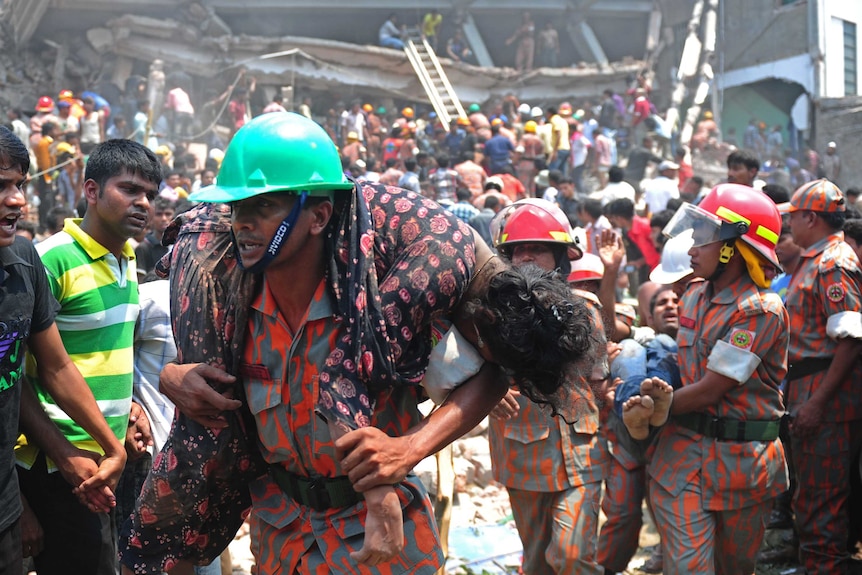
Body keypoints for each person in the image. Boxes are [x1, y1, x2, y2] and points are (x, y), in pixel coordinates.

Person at [119, 113, 596, 574]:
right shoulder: (229, 298)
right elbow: (197, 379)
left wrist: (409, 450)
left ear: (319, 215)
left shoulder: (390, 298)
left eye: (264, 206)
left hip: (378, 542)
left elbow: (491, 371)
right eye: (239, 207)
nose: (243, 222)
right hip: (282, 531)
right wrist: (172, 375)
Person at [624, 184, 788, 574]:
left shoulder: (760, 310)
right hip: (682, 459)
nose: (692, 248)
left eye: (703, 238)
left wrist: (654, 409)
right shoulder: (695, 295)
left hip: (742, 466)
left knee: (735, 566)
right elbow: (680, 364)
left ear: (732, 246)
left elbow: (715, 386)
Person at [17, 138, 161, 574]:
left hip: (105, 460)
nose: (143, 203)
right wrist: (63, 454)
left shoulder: (127, 258)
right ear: (92, 191)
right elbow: (15, 377)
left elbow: (101, 356)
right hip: (61, 466)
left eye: (151, 195)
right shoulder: (50, 260)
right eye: (130, 189)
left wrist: (129, 406)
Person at [0, 126, 126, 575]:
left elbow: (51, 369)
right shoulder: (56, 259)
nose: (16, 200)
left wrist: (113, 447)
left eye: (19, 185)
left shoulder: (22, 262)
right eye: (1, 186)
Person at [487, 198, 607, 574]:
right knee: (537, 561)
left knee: (573, 558)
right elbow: (464, 372)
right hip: (522, 454)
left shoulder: (586, 309)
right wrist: (494, 390)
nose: (525, 256)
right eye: (517, 250)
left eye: (536, 248)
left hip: (582, 451)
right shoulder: (486, 313)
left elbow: (599, 382)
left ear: (560, 255)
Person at [777, 179, 862, 575]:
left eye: (793, 216)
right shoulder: (815, 258)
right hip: (807, 387)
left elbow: (851, 338)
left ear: (811, 217)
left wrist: (817, 402)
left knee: (822, 502)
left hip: (824, 394)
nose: (788, 224)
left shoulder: (833, 262)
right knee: (810, 498)